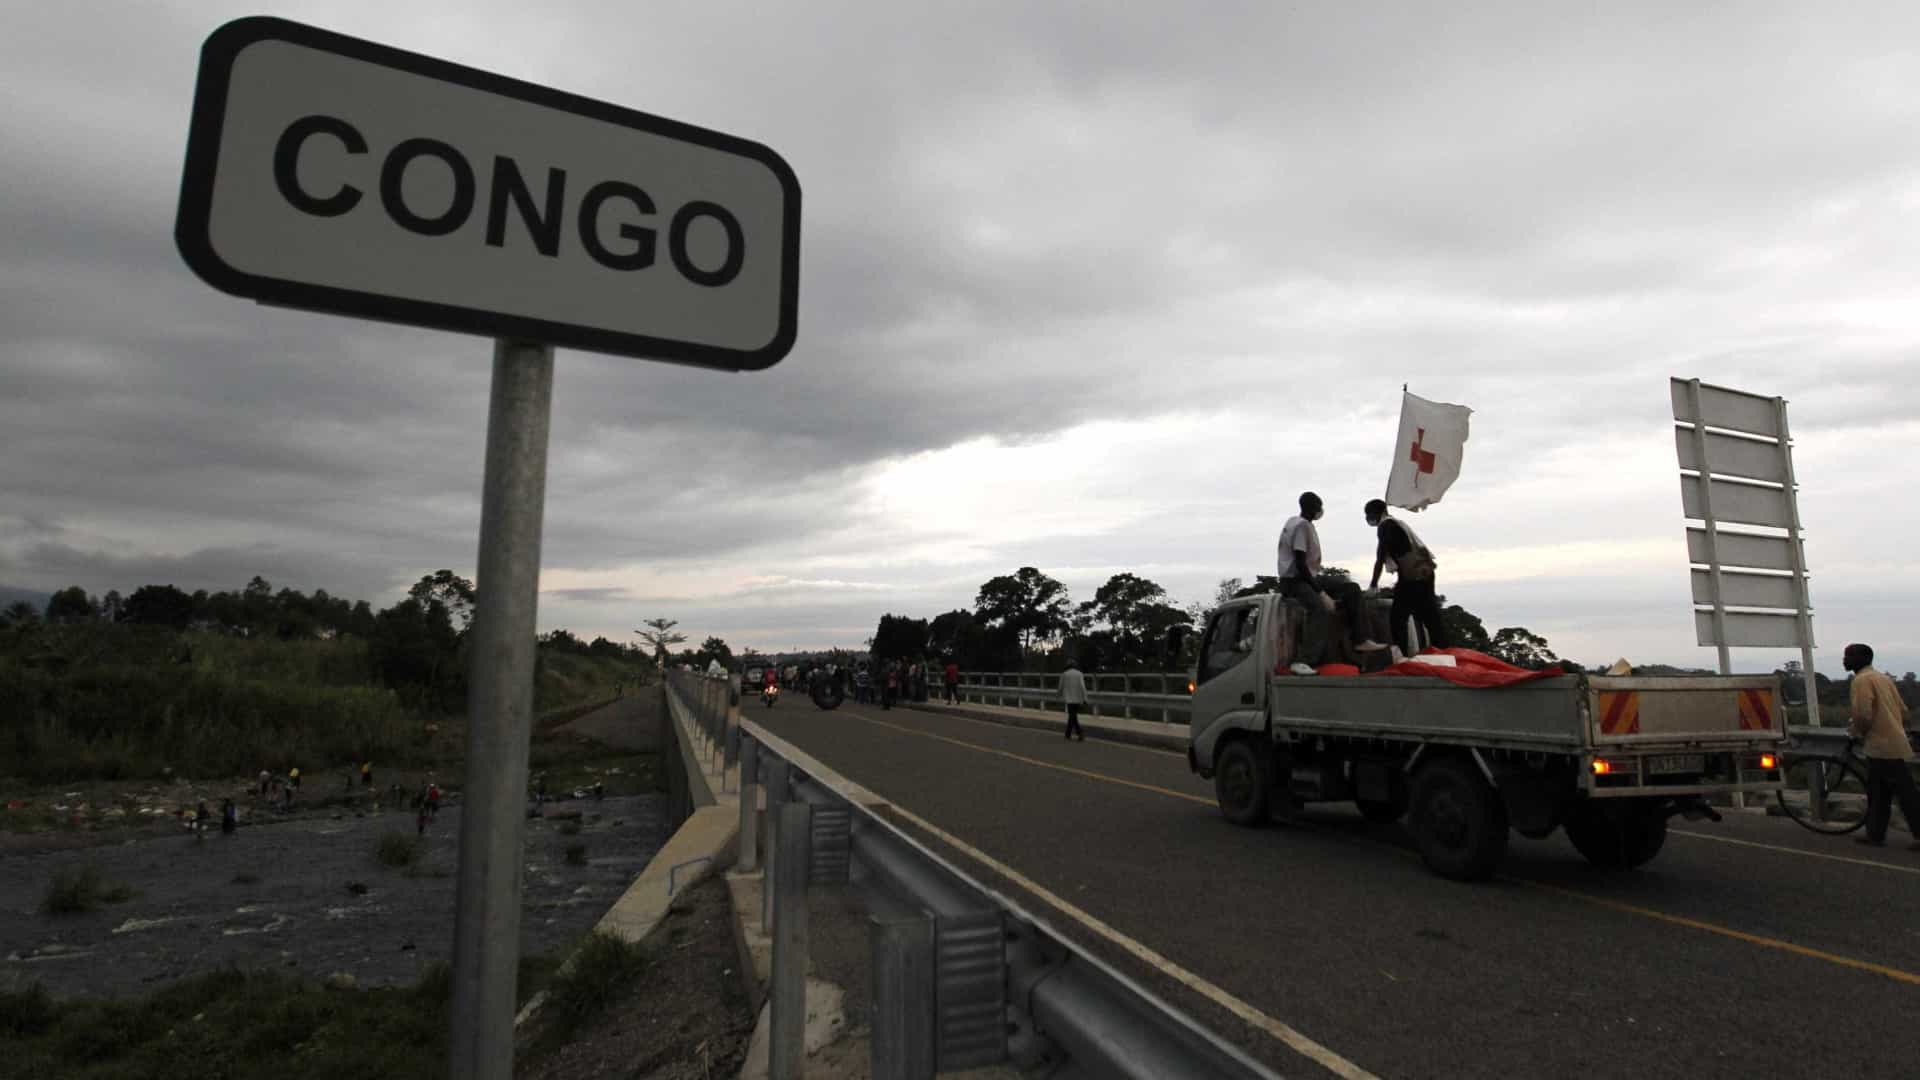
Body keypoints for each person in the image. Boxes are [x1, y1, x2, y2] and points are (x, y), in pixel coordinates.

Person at [1277, 491, 1369, 672]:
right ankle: (1304, 660)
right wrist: (1320, 592)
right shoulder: (1302, 526)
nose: (1321, 511)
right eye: (1319, 507)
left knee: (1350, 588)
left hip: (1309, 576)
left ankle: (1359, 639)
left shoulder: (1294, 522)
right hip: (1295, 580)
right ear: (1312, 508)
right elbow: (1300, 563)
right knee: (1318, 610)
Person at [1844, 643, 1919, 850]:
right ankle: (1875, 833)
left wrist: (1855, 732)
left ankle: (1881, 833)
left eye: (1849, 656)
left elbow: (1863, 714)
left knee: (1904, 793)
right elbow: (1903, 710)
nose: (1845, 660)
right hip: (1893, 740)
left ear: (1861, 659)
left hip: (1880, 744)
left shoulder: (1861, 680)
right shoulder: (1882, 678)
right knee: (1879, 791)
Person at [1366, 499, 1449, 657]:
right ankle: (1443, 650)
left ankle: (1403, 655)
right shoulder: (1397, 524)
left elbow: (1381, 556)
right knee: (1428, 615)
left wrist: (1373, 584)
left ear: (1378, 512)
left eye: (1369, 514)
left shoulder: (1386, 526)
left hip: (1414, 576)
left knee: (1399, 618)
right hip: (1422, 573)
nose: (1368, 518)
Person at [1060, 659, 1088, 741]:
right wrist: (1085, 698)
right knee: (1073, 716)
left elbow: (1060, 686)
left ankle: (1079, 733)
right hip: (1078, 699)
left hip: (1069, 699)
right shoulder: (1079, 674)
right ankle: (1068, 734)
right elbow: (1083, 687)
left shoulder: (1064, 674)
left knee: (1072, 716)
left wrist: (1057, 695)